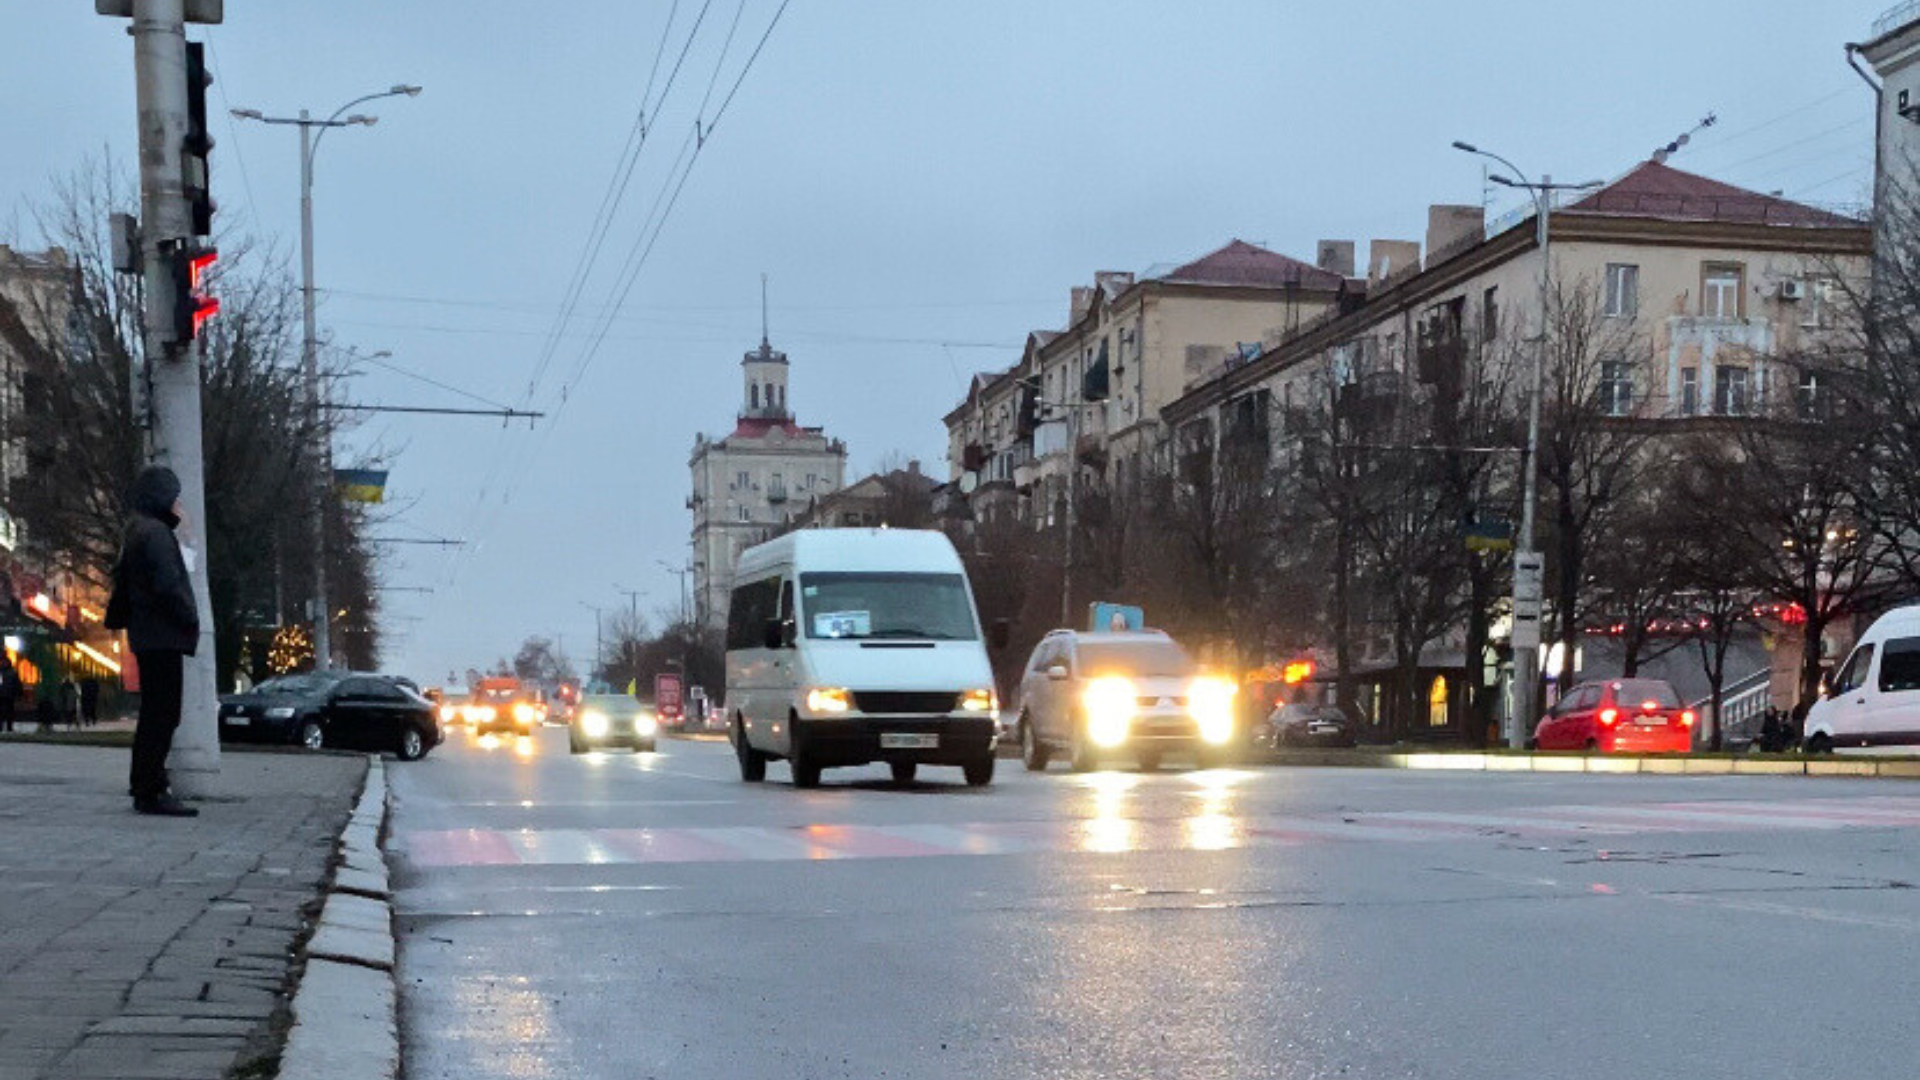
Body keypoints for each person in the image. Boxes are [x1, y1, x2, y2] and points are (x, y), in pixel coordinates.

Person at [105, 466, 200, 817]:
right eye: (174, 498)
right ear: (162, 498)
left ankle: (146, 785)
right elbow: (167, 585)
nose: (179, 506)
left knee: (155, 714)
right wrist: (188, 616)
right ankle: (151, 789)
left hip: (148, 635)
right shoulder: (156, 535)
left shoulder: (139, 532)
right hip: (162, 636)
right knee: (163, 714)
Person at [0, 656, 18, 733]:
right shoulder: (2, 672)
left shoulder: (13, 672)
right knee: (2, 712)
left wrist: (16, 692)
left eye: (5, 662)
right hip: (3, 694)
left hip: (9, 695)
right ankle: (3, 727)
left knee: (9, 712)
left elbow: (16, 683)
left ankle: (9, 727)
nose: (4, 663)